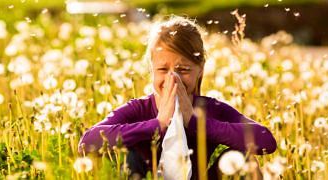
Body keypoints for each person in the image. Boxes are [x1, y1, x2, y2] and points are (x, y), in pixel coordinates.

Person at [78, 16, 277, 179]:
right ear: (152, 69)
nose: (173, 78)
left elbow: (266, 140)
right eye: (163, 69)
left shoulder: (212, 109)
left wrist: (197, 123)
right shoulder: (139, 109)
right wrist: (158, 124)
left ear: (200, 70)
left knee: (245, 159)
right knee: (128, 157)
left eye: (183, 70)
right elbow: (87, 143)